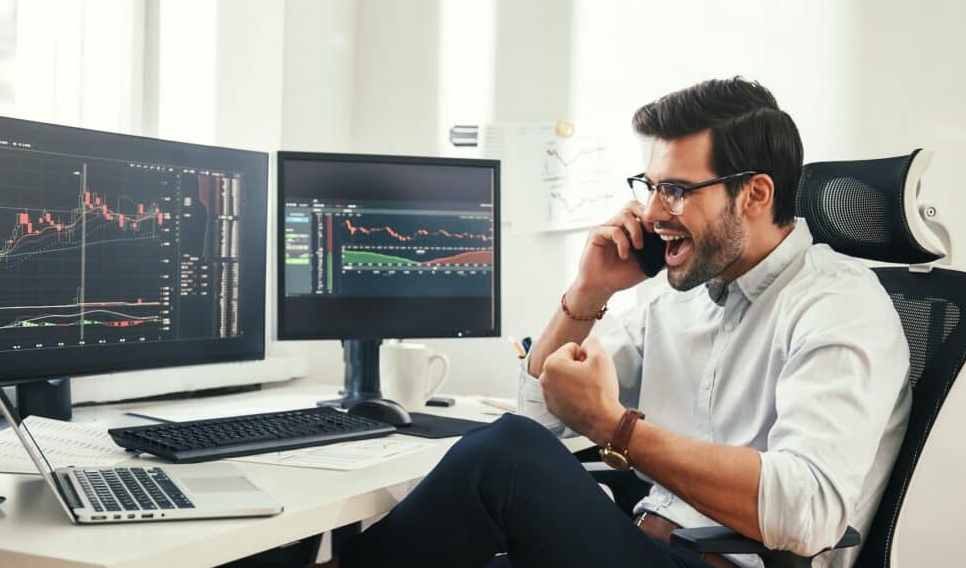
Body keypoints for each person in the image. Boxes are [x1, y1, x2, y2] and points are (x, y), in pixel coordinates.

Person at [310, 77, 912, 568]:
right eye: (648, 187)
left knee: (506, 459)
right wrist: (588, 289)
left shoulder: (839, 305)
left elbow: (807, 509)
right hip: (635, 547)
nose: (651, 214)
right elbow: (540, 415)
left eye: (675, 190)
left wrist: (614, 426)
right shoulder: (677, 297)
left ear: (754, 194)